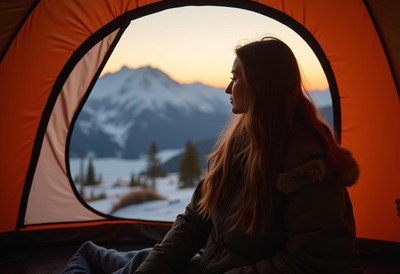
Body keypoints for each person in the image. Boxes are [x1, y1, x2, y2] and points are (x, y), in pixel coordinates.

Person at [63, 37, 362, 274]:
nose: (228, 88)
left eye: (236, 77)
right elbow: (195, 220)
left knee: (104, 261)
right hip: (215, 264)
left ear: (262, 84)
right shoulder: (241, 145)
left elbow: (315, 262)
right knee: (138, 260)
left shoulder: (308, 167)